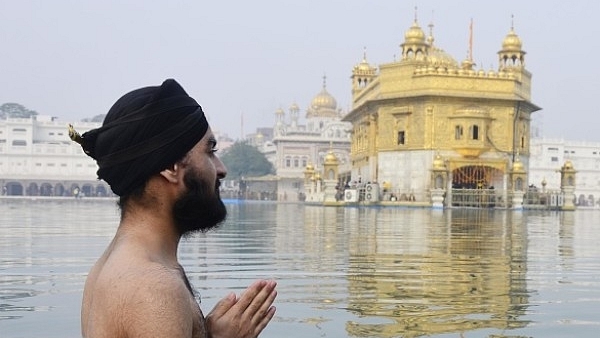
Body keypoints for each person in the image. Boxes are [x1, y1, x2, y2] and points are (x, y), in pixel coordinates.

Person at [69, 79, 277, 338]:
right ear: (170, 167)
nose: (221, 169)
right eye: (210, 151)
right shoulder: (153, 288)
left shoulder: (114, 265)